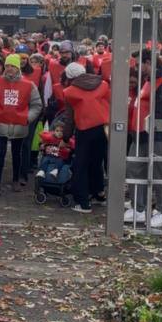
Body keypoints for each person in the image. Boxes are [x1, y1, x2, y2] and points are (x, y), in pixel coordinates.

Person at [125, 51, 162, 228]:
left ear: (149, 63)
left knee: (160, 172)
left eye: (139, 65)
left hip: (156, 136)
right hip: (142, 134)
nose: (137, 68)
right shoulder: (149, 82)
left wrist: (152, 135)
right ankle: (139, 208)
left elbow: (161, 115)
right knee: (134, 168)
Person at [0, 54, 42, 195]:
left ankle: (16, 179)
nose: (9, 69)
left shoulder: (28, 85)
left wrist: (27, 118)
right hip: (0, 123)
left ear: (18, 67)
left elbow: (36, 104)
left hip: (20, 125)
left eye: (13, 66)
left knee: (17, 154)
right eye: (7, 66)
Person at [62, 63, 111, 213]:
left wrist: (66, 137)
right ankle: (98, 194)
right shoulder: (102, 84)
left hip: (85, 129)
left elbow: (70, 118)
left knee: (81, 165)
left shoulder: (69, 92)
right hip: (103, 127)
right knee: (97, 162)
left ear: (70, 77)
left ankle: (83, 202)